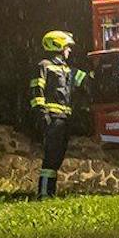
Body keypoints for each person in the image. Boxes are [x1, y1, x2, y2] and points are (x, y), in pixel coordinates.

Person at [28, 30, 89, 198]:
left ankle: (49, 193)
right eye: (67, 47)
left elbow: (88, 81)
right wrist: (43, 116)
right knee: (51, 158)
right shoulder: (44, 66)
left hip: (64, 120)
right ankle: (44, 194)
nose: (69, 51)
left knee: (57, 157)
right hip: (53, 119)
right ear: (59, 46)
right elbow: (37, 92)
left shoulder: (68, 70)